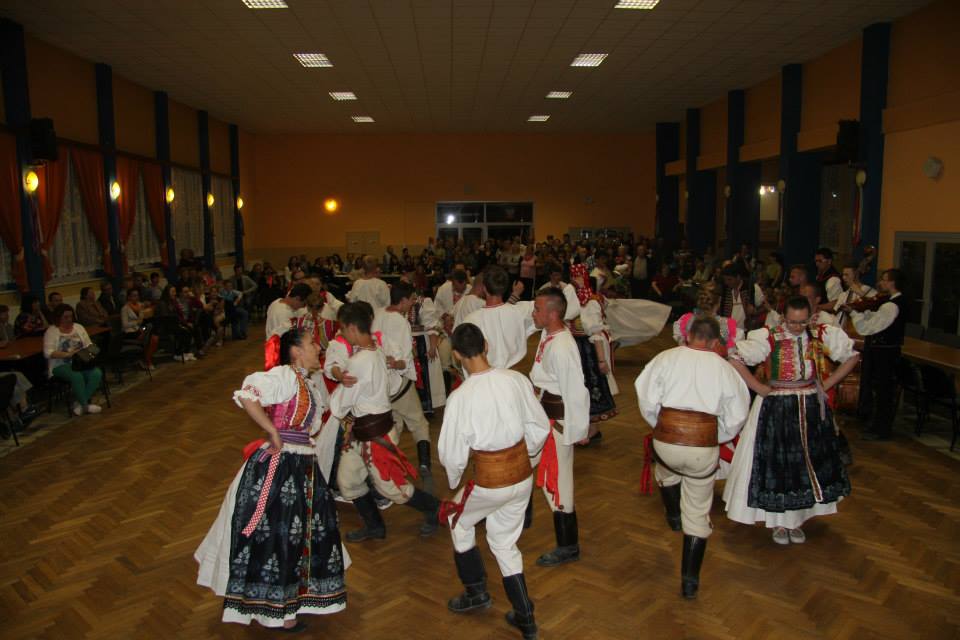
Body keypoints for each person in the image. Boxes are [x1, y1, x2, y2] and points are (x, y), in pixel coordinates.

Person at [194, 328, 347, 631]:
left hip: (302, 465)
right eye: (311, 343)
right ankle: (279, 612)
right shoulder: (284, 376)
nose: (318, 347)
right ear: (295, 351)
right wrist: (272, 430)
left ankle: (290, 603)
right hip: (282, 467)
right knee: (279, 536)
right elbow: (247, 394)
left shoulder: (306, 382)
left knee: (299, 536)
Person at [438, 323, 549, 640]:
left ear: (456, 355)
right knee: (503, 541)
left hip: (489, 482)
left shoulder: (460, 397)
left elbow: (451, 452)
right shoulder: (515, 380)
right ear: (486, 345)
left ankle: (476, 593)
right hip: (522, 477)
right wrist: (526, 456)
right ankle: (525, 617)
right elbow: (539, 426)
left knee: (457, 520)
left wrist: (455, 477)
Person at [723, 296, 859, 544]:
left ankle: (797, 520)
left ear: (810, 317)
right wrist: (758, 387)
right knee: (779, 464)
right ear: (784, 317)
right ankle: (778, 522)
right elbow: (735, 358)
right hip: (776, 406)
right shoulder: (768, 336)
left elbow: (852, 356)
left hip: (809, 405)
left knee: (806, 464)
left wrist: (827, 384)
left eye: (802, 322)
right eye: (793, 322)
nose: (797, 327)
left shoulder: (820, 334)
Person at [635, 316, 750, 598]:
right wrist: (715, 436)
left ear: (687, 335)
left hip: (666, 442)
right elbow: (737, 415)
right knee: (697, 511)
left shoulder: (665, 358)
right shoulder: (724, 369)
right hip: (702, 448)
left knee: (667, 468)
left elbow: (646, 397)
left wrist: (661, 426)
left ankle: (673, 514)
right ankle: (689, 582)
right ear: (715, 342)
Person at [330, 302, 440, 541]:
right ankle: (375, 527)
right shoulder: (376, 349)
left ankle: (437, 509)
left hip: (376, 435)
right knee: (348, 481)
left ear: (351, 328)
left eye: (343, 329)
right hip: (363, 432)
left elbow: (340, 404)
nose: (342, 334)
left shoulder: (361, 360)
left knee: (393, 489)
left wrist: (337, 397)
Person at [529, 288, 590, 567]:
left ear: (553, 314)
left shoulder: (563, 347)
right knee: (526, 463)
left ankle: (568, 546)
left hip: (558, 423)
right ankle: (518, 511)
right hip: (543, 417)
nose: (533, 313)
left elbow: (575, 391)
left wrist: (577, 430)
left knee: (559, 481)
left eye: (537, 309)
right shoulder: (549, 334)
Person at [372, 282, 435, 479]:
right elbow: (405, 359)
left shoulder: (378, 314)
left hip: (380, 383)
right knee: (418, 422)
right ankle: (424, 464)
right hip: (399, 382)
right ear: (403, 300)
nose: (413, 303)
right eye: (412, 299)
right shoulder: (401, 322)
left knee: (395, 425)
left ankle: (386, 467)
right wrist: (402, 366)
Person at [844, 268, 905, 441]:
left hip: (885, 353)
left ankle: (882, 429)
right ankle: (876, 424)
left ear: (892, 282)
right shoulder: (888, 302)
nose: (881, 283)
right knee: (880, 389)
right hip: (884, 351)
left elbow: (868, 328)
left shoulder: (892, 305)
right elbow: (874, 319)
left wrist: (854, 313)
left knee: (883, 391)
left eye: (884, 280)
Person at [567, 265, 618, 429]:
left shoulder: (591, 302)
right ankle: (583, 427)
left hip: (587, 350)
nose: (575, 281)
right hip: (573, 347)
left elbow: (596, 333)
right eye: (573, 277)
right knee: (577, 388)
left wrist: (601, 361)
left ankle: (592, 429)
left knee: (592, 387)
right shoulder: (570, 299)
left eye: (578, 277)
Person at [463, 266, 537, 370]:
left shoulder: (471, 320)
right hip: (513, 374)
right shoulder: (520, 311)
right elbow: (548, 304)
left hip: (486, 375)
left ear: (484, 288)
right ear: (506, 287)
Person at [42, 304, 103, 417]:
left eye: (70, 316)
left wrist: (86, 352)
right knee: (76, 376)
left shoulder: (78, 327)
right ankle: (85, 406)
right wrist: (68, 354)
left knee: (96, 373)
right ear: (58, 317)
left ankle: (80, 403)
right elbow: (48, 353)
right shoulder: (52, 331)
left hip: (80, 362)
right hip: (60, 365)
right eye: (65, 317)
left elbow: (89, 345)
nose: (69, 319)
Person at [120, 289, 159, 371]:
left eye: (137, 295)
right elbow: (125, 324)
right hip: (130, 332)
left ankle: (146, 358)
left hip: (140, 329)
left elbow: (144, 314)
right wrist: (136, 322)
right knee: (149, 338)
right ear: (129, 297)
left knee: (153, 336)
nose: (136, 297)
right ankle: (147, 361)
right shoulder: (125, 309)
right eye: (134, 295)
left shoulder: (140, 306)